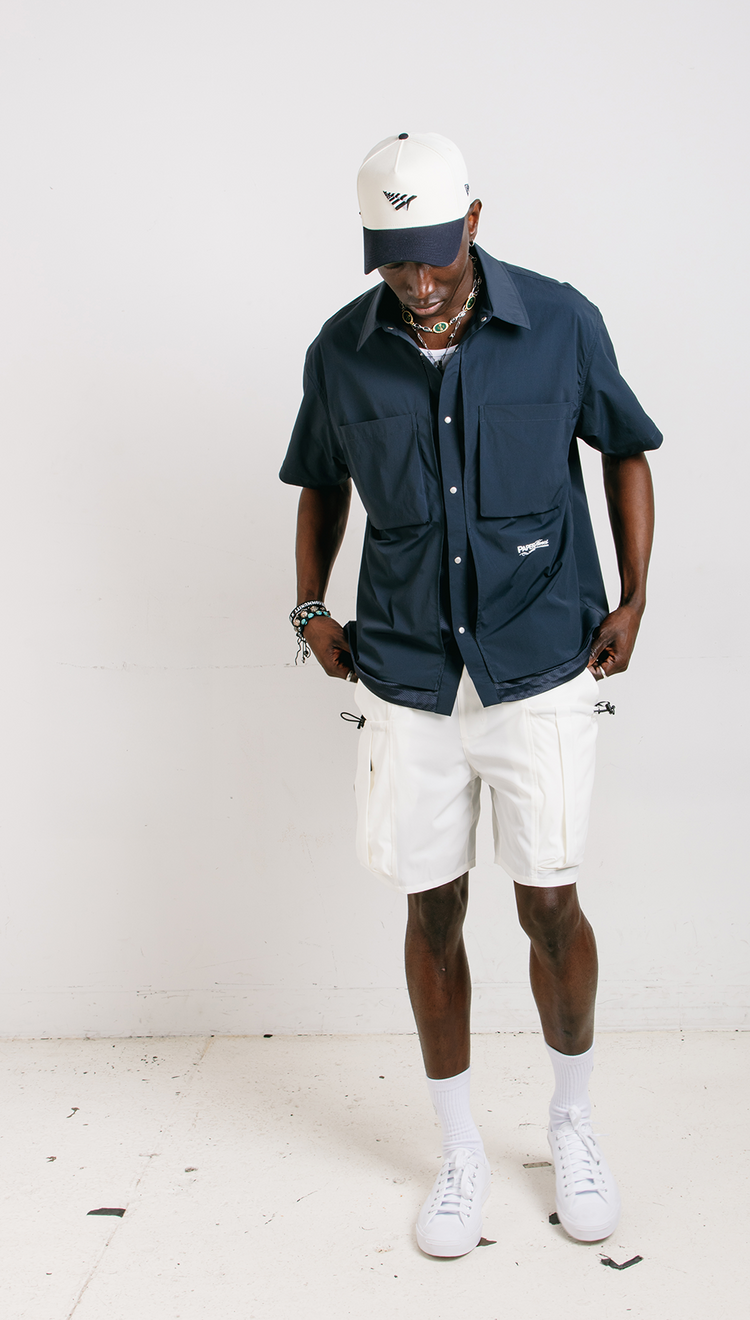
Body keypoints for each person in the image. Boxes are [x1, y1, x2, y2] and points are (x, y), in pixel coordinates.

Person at [279, 132, 661, 1258]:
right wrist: (309, 609)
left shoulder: (561, 323)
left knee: (550, 904)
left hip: (541, 665)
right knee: (430, 911)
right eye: (393, 259)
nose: (417, 279)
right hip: (406, 677)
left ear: (475, 222)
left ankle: (572, 1126)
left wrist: (636, 597)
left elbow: (626, 449)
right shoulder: (341, 352)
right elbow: (320, 482)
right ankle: (458, 1150)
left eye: (434, 253)